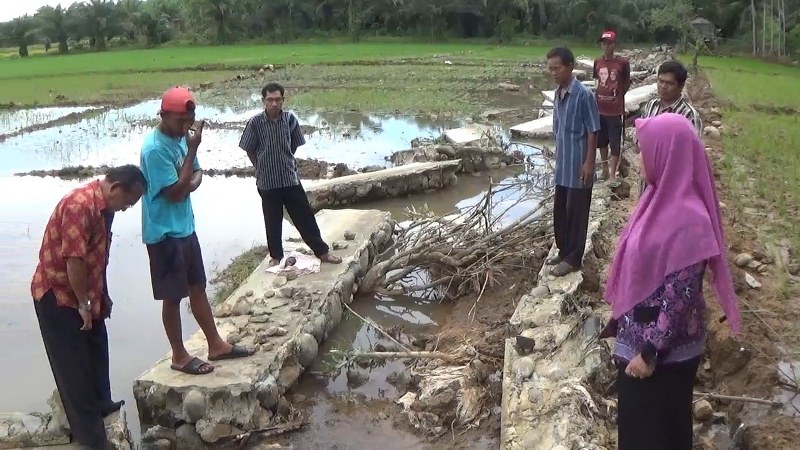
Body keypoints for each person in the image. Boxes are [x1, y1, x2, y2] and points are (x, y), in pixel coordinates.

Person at [600, 113, 740, 450]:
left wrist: (649, 353)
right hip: (637, 343)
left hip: (662, 356)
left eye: (646, 150)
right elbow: (639, 269)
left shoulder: (691, 219)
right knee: (636, 432)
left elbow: (682, 294)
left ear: (668, 153)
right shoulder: (653, 200)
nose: (640, 160)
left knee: (658, 435)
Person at [31, 165, 147, 449]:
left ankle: (103, 404)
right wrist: (83, 303)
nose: (127, 208)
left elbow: (98, 256)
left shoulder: (105, 209)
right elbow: (75, 260)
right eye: (129, 202)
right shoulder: (79, 205)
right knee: (74, 368)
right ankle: (93, 439)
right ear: (116, 187)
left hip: (84, 293)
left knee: (97, 347)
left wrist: (100, 298)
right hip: (57, 295)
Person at [140, 87, 253, 376]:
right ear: (163, 116)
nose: (185, 127)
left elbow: (197, 174)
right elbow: (176, 193)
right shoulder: (155, 149)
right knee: (172, 296)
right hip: (164, 234)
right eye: (180, 121)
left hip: (185, 227)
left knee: (197, 287)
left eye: (189, 121)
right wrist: (191, 155)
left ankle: (215, 344)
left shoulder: (180, 138)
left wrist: (188, 177)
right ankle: (179, 354)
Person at [239, 82, 343, 267]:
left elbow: (293, 145)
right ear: (263, 101)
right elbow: (249, 149)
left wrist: (284, 159)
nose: (274, 104)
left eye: (277, 100)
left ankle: (322, 252)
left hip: (289, 178)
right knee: (272, 221)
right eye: (270, 100)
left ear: (283, 100)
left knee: (304, 217)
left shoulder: (290, 120)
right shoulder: (255, 123)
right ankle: (276, 257)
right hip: (267, 182)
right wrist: (260, 166)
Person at [545, 47, 601, 277]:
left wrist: (589, 162)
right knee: (561, 211)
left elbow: (593, 131)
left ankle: (574, 258)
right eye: (550, 69)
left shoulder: (583, 95)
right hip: (563, 165)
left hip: (579, 166)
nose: (553, 73)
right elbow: (558, 130)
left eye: (557, 68)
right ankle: (564, 250)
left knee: (577, 213)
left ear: (570, 66)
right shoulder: (558, 94)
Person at [637, 60, 703, 196]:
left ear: (681, 86)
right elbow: (641, 138)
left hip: (673, 185)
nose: (663, 86)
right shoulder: (650, 106)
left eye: (669, 83)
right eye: (661, 81)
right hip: (648, 182)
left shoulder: (688, 115)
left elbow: (693, 156)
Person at [593, 30, 631, 186]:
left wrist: (618, 96)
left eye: (609, 43)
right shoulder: (597, 62)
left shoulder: (622, 64)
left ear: (614, 45)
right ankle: (604, 168)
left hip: (615, 111)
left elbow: (627, 82)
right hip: (599, 109)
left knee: (615, 143)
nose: (606, 46)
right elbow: (597, 82)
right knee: (601, 141)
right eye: (604, 43)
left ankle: (613, 174)